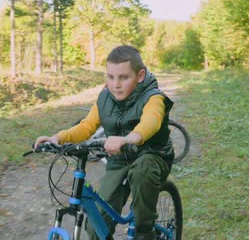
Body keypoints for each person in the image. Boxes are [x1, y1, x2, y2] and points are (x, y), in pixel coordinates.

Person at [34, 45, 174, 240]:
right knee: (95, 228)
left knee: (142, 171)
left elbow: (151, 122)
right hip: (119, 161)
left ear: (140, 75)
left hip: (152, 154)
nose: (115, 84)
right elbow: (87, 126)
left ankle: (145, 232)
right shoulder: (104, 98)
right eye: (110, 77)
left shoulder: (153, 97)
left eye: (123, 78)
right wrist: (57, 138)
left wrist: (128, 138)